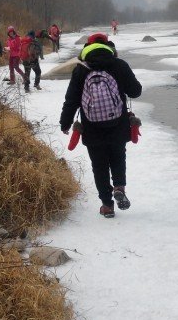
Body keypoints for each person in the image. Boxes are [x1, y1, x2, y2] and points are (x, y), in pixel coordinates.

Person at [60, 33, 142, 218]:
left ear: (87, 48)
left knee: (99, 165)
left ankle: (107, 205)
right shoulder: (119, 65)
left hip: (92, 128)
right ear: (108, 46)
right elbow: (135, 91)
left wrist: (65, 122)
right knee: (118, 157)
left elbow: (71, 100)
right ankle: (119, 187)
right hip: (118, 124)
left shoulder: (81, 69)